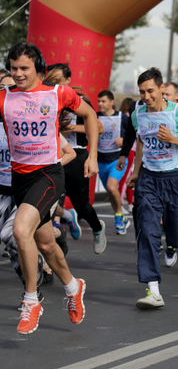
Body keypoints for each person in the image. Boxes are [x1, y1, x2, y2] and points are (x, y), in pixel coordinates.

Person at [2, 42, 98, 334]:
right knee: (45, 242)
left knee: (20, 230)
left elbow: (91, 116)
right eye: (14, 68)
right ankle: (73, 286)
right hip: (21, 179)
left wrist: (92, 156)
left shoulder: (57, 93)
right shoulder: (4, 99)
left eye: (24, 68)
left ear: (38, 69)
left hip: (49, 175)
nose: (18, 74)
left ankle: (31, 300)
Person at [126, 67, 178, 309]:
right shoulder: (137, 113)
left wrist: (173, 139)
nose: (146, 97)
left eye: (150, 91)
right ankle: (153, 290)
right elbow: (140, 143)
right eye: (142, 92)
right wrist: (136, 172)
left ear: (162, 88)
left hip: (175, 178)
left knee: (175, 235)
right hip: (149, 179)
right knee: (147, 230)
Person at [46, 65, 108, 253]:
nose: (54, 84)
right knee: (47, 199)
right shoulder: (46, 99)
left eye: (58, 80)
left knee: (82, 205)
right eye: (51, 81)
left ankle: (97, 228)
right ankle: (61, 223)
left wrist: (70, 129)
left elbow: (99, 128)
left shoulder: (79, 101)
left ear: (68, 80)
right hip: (54, 155)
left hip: (77, 154)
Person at [96, 90, 130, 234]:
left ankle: (118, 215)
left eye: (103, 101)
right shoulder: (95, 117)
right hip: (101, 160)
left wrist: (124, 141)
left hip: (117, 159)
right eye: (99, 101)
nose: (100, 104)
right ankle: (122, 216)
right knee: (111, 193)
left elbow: (133, 135)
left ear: (111, 102)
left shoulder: (121, 117)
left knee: (111, 187)